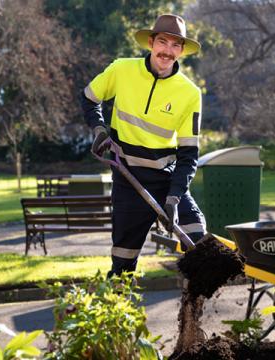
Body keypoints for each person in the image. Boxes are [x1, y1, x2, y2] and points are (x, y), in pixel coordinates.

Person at [80, 14, 206, 277]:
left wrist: (174, 197)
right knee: (123, 262)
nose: (167, 52)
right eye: (163, 42)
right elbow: (90, 98)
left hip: (165, 180)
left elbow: (188, 155)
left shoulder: (190, 93)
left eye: (175, 45)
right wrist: (100, 129)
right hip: (128, 179)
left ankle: (193, 307)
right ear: (150, 43)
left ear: (182, 51)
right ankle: (116, 313)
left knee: (198, 239)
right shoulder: (122, 70)